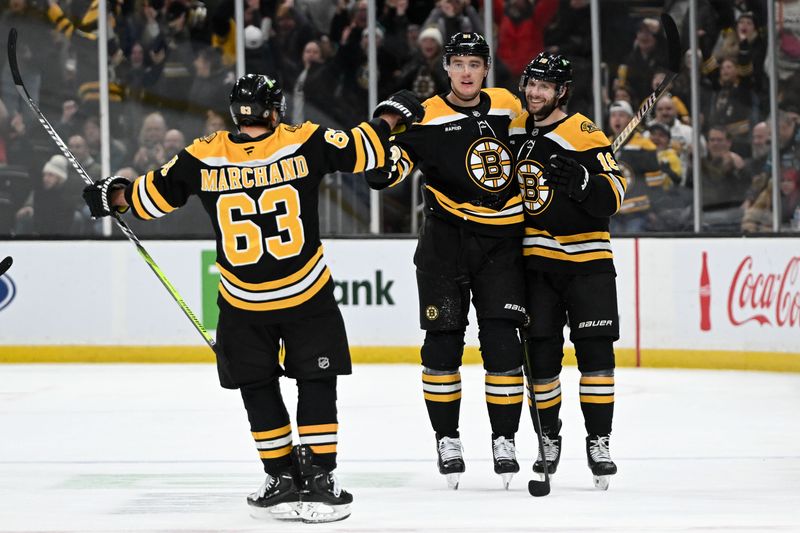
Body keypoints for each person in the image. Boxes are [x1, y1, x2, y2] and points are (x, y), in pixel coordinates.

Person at [82, 74, 423, 522]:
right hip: (307, 294)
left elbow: (151, 199)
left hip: (243, 303)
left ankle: (280, 477)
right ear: (275, 110)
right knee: (317, 383)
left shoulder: (202, 154)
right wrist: (391, 116)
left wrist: (113, 196)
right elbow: (366, 148)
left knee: (257, 388)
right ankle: (320, 477)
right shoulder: (304, 140)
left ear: (235, 112)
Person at [366, 32, 527, 490]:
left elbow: (544, 142)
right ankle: (447, 438)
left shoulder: (509, 106)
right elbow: (383, 175)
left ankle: (504, 440)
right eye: (458, 64)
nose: (466, 72)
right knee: (442, 346)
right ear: (447, 69)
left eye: (475, 64)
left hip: (500, 246)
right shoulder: (426, 117)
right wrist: (384, 123)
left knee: (502, 346)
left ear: (486, 68)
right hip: (445, 245)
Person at [508, 52, 627, 490]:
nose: (535, 92)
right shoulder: (516, 128)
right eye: (531, 84)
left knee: (596, 357)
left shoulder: (583, 132)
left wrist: (583, 182)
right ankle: (549, 437)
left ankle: (599, 441)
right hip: (538, 265)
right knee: (541, 360)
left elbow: (614, 193)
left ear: (561, 92)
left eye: (545, 86)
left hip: (588, 265)